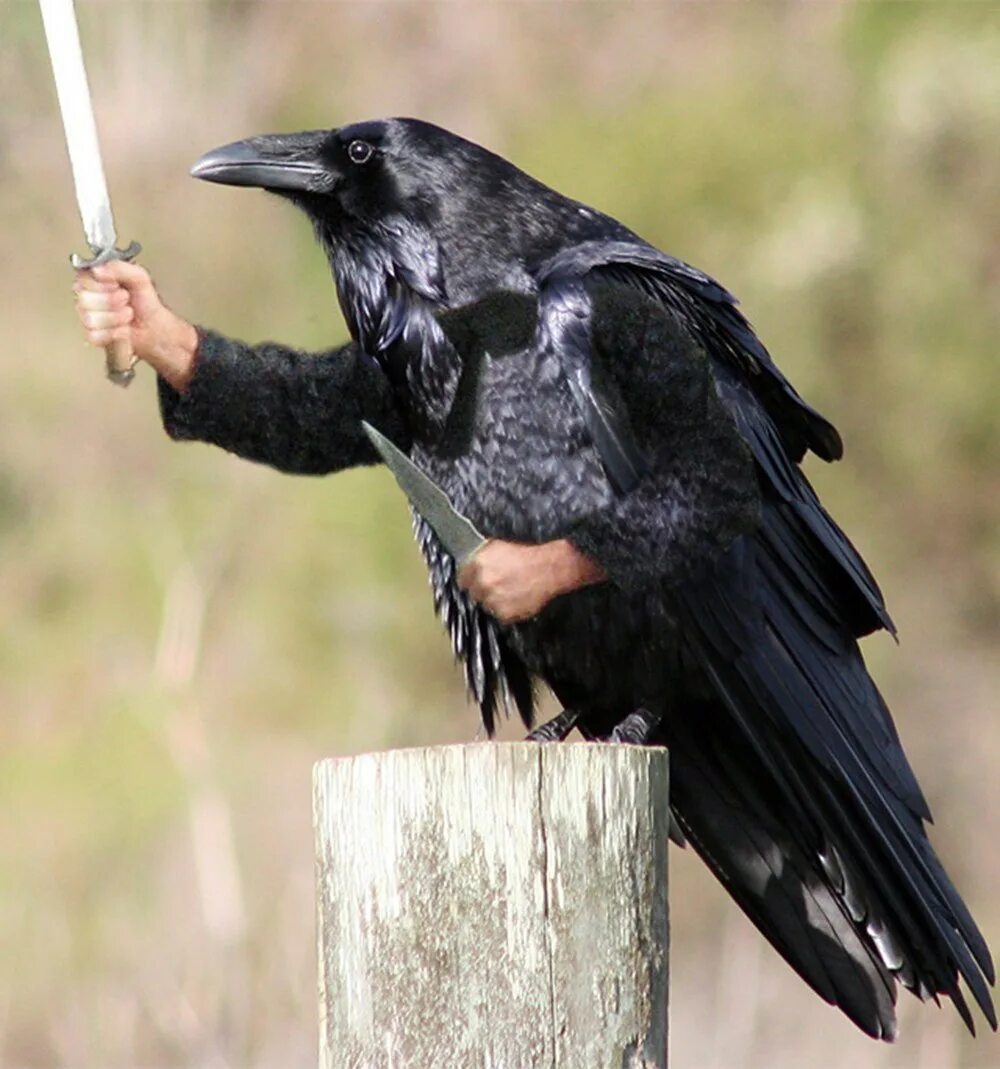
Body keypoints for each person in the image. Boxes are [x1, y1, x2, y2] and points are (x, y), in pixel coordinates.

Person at [72, 261, 605, 623]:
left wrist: (559, 566)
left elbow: (689, 488)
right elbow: (303, 408)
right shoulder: (450, 352)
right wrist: (162, 338)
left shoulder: (618, 321)